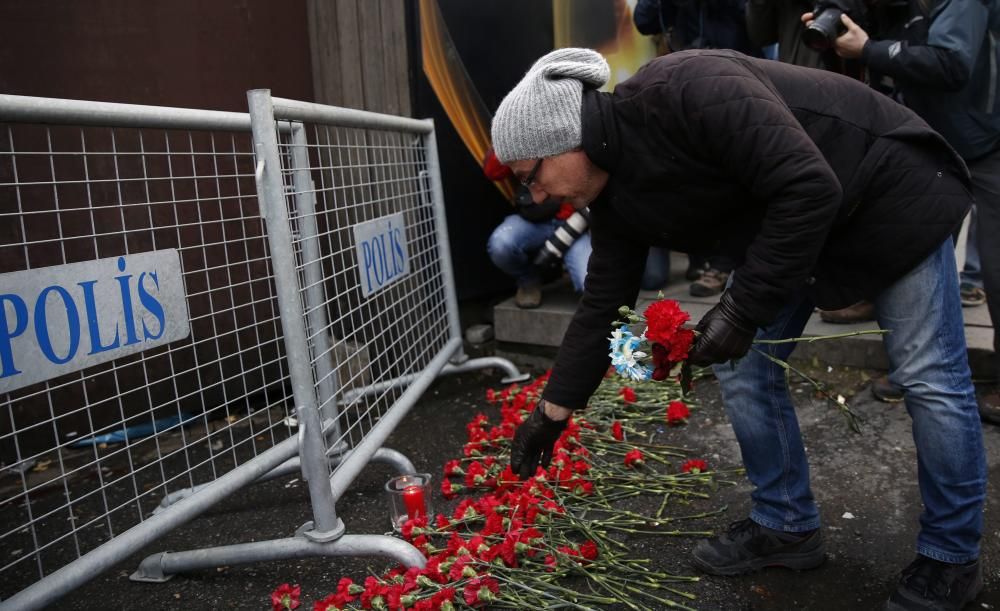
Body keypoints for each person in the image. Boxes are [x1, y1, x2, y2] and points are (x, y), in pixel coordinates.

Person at [494, 47, 985, 610]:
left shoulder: (690, 87)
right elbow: (603, 304)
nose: (535, 196)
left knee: (928, 377)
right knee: (742, 366)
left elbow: (808, 185)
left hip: (888, 189)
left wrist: (738, 311)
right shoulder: (614, 196)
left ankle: (951, 558)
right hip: (796, 226)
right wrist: (550, 413)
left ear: (567, 138)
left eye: (531, 177)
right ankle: (785, 523)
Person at [814, 0, 1000, 415]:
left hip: (985, 140)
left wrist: (869, 50)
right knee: (914, 256)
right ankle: (914, 370)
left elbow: (951, 63)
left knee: (997, 266)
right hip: (931, 141)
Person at [633, 0, 761, 296]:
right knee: (692, 171)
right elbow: (644, 21)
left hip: (737, 79)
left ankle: (724, 262)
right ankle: (702, 254)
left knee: (735, 174)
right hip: (687, 83)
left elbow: (759, 27)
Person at [484, 150, 670, 308]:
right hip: (536, 219)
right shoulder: (525, 131)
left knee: (594, 287)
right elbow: (493, 171)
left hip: (579, 224)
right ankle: (528, 281)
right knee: (501, 243)